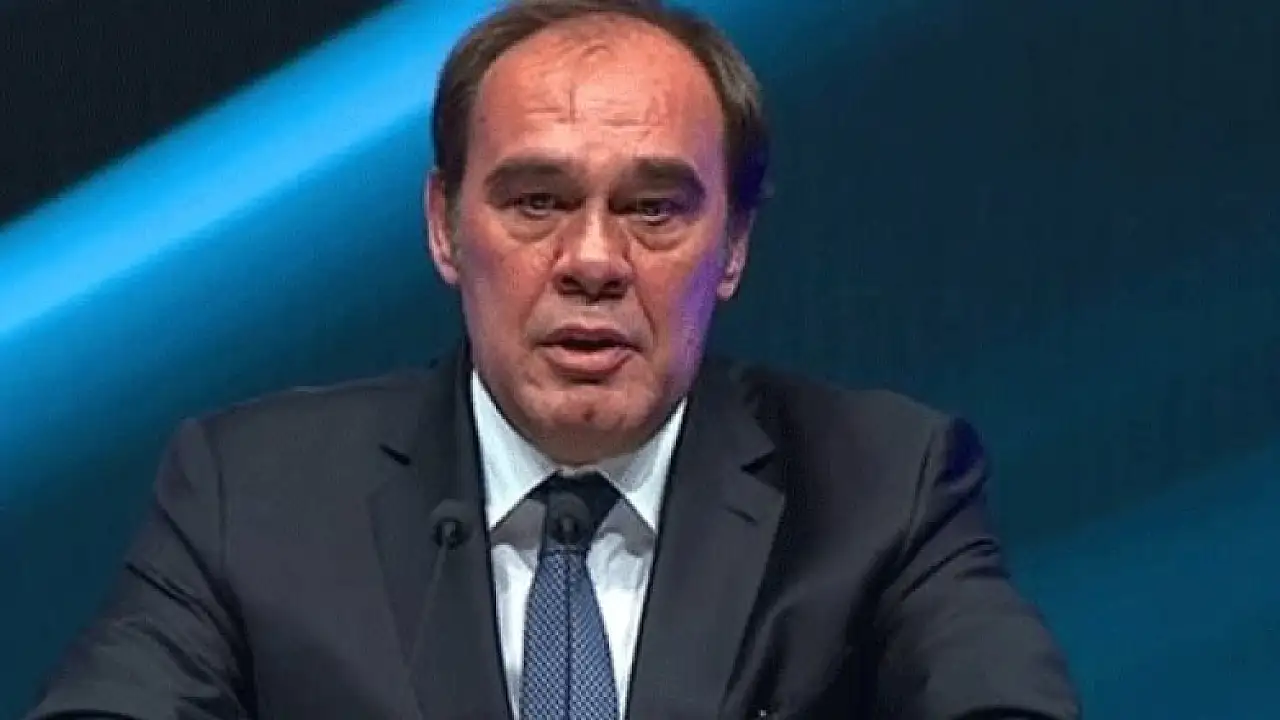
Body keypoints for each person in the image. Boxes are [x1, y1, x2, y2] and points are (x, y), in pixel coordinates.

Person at [27, 1, 1080, 718]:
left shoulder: (883, 487)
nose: (592, 262)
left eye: (653, 209)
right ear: (443, 227)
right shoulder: (250, 495)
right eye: (536, 202)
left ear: (733, 247)